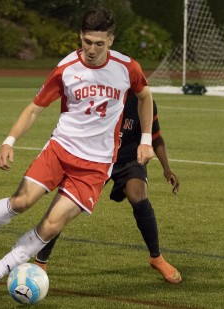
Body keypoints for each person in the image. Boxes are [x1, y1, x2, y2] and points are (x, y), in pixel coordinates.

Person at [0, 8, 155, 300]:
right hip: (60, 149)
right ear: (80, 36)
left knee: (50, 225)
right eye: (86, 41)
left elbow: (145, 96)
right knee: (22, 201)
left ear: (111, 40)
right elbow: (35, 108)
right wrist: (9, 141)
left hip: (95, 166)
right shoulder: (66, 67)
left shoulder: (127, 68)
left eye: (99, 43)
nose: (91, 49)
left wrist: (145, 140)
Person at [33, 91, 182, 284]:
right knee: (66, 205)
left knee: (138, 196)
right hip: (97, 157)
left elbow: (156, 136)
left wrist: (167, 169)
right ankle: (40, 261)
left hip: (129, 160)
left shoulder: (144, 101)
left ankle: (156, 258)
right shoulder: (101, 96)